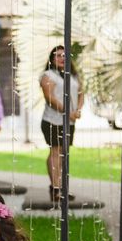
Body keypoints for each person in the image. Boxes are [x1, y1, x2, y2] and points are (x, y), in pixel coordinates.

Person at [39, 45, 84, 203]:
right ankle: (55, 189)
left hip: (69, 122)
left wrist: (77, 110)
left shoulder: (73, 76)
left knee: (64, 154)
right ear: (52, 58)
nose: (61, 58)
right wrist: (68, 112)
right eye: (57, 55)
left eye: (64, 55)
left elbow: (81, 93)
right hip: (53, 120)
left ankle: (62, 187)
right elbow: (50, 98)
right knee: (56, 152)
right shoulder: (48, 75)